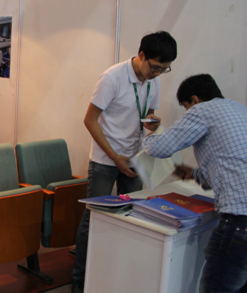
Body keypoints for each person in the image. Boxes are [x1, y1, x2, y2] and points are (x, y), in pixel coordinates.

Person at [71, 31, 177, 293]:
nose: (158, 73)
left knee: (131, 217)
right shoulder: (112, 77)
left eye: (164, 69)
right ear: (141, 55)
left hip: (134, 159)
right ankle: (79, 279)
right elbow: (89, 120)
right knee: (93, 217)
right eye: (155, 67)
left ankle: (114, 276)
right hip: (105, 160)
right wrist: (114, 156)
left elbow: (147, 114)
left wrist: (153, 123)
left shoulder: (153, 81)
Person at [143, 74, 247, 293]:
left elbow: (159, 148)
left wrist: (151, 134)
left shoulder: (202, 110)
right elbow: (230, 165)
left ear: (194, 99)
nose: (187, 113)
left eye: (185, 107)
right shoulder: (239, 109)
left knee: (217, 286)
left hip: (240, 219)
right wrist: (193, 174)